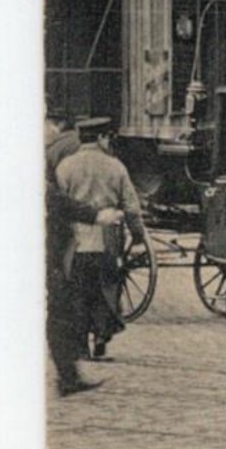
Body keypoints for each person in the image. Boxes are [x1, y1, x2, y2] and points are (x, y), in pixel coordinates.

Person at [55, 118, 146, 362]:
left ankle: (81, 343)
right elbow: (131, 207)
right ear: (100, 138)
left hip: (76, 239)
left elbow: (58, 203)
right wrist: (137, 235)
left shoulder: (65, 166)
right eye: (107, 138)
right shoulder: (115, 167)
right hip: (107, 238)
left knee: (78, 289)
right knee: (106, 287)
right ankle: (101, 340)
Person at [45, 111, 121, 396]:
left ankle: (69, 374)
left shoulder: (63, 165)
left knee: (67, 305)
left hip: (71, 250)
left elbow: (57, 197)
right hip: (92, 244)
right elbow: (55, 200)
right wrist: (98, 215)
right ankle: (71, 373)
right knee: (93, 295)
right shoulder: (115, 166)